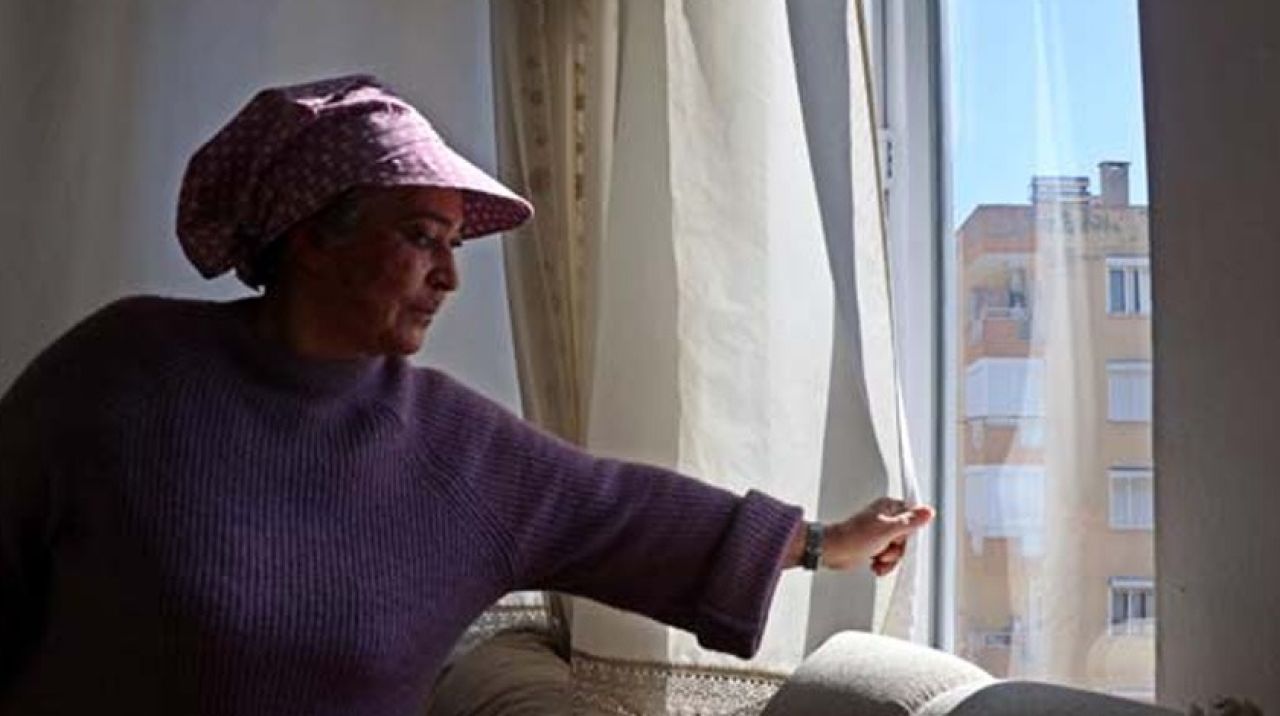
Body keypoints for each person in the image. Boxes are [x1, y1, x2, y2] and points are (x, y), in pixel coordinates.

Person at [0, 75, 933, 714]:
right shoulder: (120, 374)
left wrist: (824, 543)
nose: (449, 276)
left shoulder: (455, 447)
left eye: (455, 244)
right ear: (313, 235)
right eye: (421, 237)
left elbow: (623, 509)